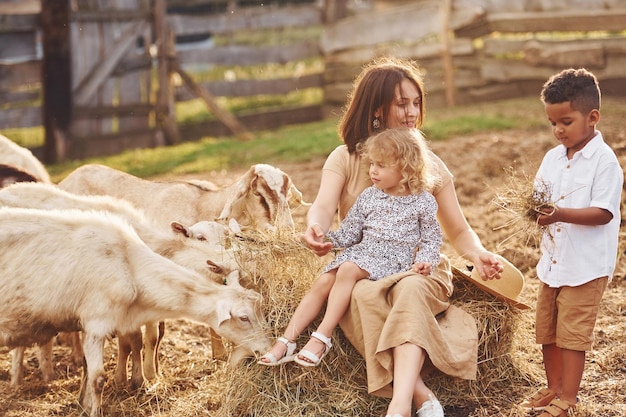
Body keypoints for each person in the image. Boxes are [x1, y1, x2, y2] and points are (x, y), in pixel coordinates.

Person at [263, 56, 505, 417]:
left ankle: (398, 404)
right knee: (360, 293)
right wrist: (315, 228)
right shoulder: (346, 158)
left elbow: (458, 229)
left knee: (408, 290)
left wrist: (479, 253)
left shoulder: (430, 164)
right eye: (401, 103)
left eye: (416, 101)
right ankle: (419, 395)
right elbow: (324, 206)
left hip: (417, 266)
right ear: (377, 109)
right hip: (366, 264)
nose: (412, 112)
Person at [258, 127, 443, 370]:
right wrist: (325, 239)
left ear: (407, 168)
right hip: (362, 254)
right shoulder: (368, 196)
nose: (373, 171)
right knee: (324, 280)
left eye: (381, 165)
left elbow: (432, 239)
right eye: (372, 164)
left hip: (394, 260)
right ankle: (287, 340)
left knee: (346, 269)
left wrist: (426, 260)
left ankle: (322, 337)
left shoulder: (422, 201)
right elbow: (349, 234)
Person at [518, 68, 623, 417]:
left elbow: (604, 213)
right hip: (554, 262)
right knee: (547, 330)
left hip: (586, 266)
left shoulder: (604, 162)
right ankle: (554, 387)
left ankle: (569, 399)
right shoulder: (552, 158)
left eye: (566, 121)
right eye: (552, 123)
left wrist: (560, 213)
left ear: (592, 117)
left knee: (572, 335)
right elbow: (537, 197)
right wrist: (533, 209)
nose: (558, 130)